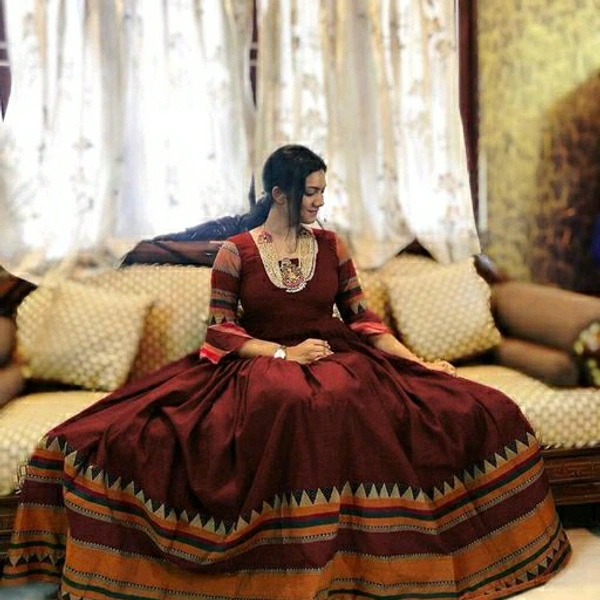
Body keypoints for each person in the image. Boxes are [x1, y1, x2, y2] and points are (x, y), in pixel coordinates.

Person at [3, 145, 570, 599]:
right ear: (279, 193)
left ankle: (361, 559)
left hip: (336, 353)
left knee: (430, 404)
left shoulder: (332, 246)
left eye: (323, 191)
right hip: (260, 359)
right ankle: (287, 560)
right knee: (285, 401)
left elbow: (362, 319)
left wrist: (418, 361)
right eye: (311, 192)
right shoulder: (236, 251)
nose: (320, 201)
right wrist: (281, 356)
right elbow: (220, 330)